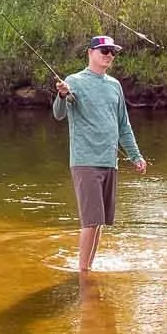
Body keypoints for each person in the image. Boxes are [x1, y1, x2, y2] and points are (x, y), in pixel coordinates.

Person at [51, 34, 146, 276]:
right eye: (104, 51)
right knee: (91, 220)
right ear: (90, 53)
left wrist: (136, 156)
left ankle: (88, 268)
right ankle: (83, 273)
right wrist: (62, 95)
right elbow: (59, 113)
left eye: (112, 52)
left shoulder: (114, 86)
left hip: (109, 162)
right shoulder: (73, 81)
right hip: (85, 162)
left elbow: (123, 125)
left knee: (100, 221)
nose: (109, 56)